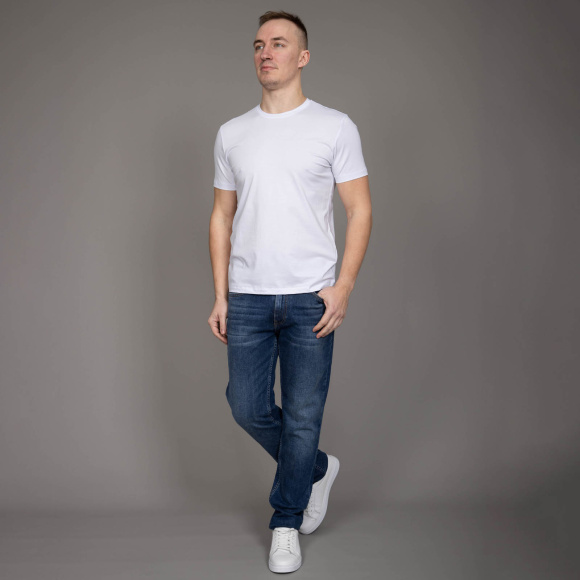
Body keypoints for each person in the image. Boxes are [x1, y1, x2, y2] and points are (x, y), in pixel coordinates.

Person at [208, 10, 372, 574]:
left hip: (309, 299)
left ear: (302, 57)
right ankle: (317, 469)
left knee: (303, 416)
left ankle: (285, 521)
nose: (266, 52)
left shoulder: (334, 127)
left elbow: (359, 209)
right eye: (258, 44)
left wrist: (343, 286)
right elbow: (221, 217)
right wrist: (221, 295)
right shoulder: (232, 133)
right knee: (246, 406)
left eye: (279, 43)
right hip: (248, 296)